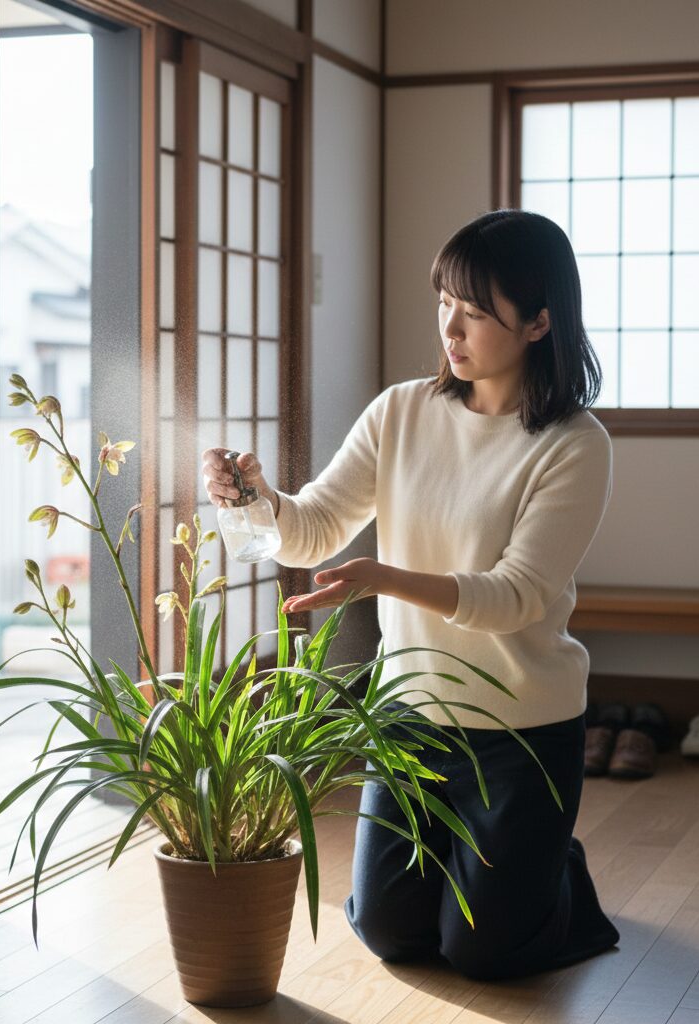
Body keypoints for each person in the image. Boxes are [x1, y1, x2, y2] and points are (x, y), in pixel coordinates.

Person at [199, 208, 620, 981]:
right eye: (444, 303)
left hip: (521, 730)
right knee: (394, 935)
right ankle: (509, 868)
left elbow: (517, 597)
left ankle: (557, 871)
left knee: (485, 952)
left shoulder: (574, 444)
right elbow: (314, 528)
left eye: (475, 312)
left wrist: (384, 579)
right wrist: (250, 501)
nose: (450, 328)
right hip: (410, 717)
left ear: (538, 323)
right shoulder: (401, 411)